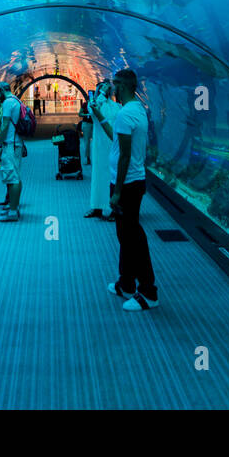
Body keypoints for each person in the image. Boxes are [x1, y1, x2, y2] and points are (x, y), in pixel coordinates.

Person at [92, 69, 158, 311]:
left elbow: (125, 156)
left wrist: (117, 191)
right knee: (125, 234)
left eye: (117, 84)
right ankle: (126, 283)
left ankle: (149, 292)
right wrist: (99, 115)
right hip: (133, 181)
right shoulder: (136, 110)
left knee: (133, 236)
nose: (113, 89)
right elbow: (116, 140)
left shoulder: (125, 114)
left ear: (127, 86)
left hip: (127, 183)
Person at [0, 81, 23, 221]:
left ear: (1, 90)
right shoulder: (16, 100)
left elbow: (4, 126)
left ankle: (13, 211)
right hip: (16, 143)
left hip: (10, 144)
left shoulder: (8, 103)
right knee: (15, 176)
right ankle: (12, 207)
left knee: (12, 177)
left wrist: (0, 144)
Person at [84, 80, 116, 220]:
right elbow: (92, 108)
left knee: (111, 177)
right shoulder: (96, 106)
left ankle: (114, 209)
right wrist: (101, 92)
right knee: (97, 178)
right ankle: (96, 206)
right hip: (99, 148)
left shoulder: (116, 107)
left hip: (112, 147)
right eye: (100, 89)